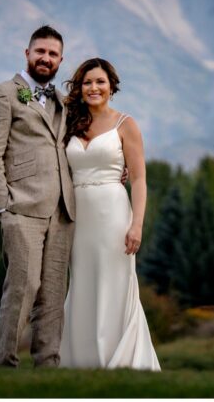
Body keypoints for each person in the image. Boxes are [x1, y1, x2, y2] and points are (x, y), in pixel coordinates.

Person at [0, 25, 76, 368]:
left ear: (60, 60)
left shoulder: (64, 103)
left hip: (62, 211)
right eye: (40, 52)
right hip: (21, 208)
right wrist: (1, 207)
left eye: (53, 54)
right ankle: (4, 364)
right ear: (27, 54)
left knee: (53, 293)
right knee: (24, 286)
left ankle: (47, 366)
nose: (46, 58)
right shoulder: (2, 94)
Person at [58, 57, 161, 371]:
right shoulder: (68, 123)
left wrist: (137, 225)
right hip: (77, 217)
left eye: (100, 82)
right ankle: (82, 361)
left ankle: (123, 360)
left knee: (115, 283)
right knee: (83, 284)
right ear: (80, 87)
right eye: (87, 82)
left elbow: (139, 179)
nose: (94, 87)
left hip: (113, 215)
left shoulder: (125, 124)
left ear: (111, 86)